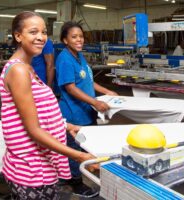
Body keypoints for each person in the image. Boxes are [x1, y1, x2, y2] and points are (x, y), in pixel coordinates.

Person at [0, 11, 98, 199]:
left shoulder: (28, 68)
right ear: (18, 36)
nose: (41, 37)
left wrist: (65, 126)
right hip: (30, 171)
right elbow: (33, 129)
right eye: (33, 32)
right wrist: (78, 156)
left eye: (44, 32)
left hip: (42, 166)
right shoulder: (18, 70)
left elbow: (39, 113)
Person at [55, 21, 118, 198]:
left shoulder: (79, 56)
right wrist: (95, 102)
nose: (79, 40)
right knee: (75, 150)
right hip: (73, 114)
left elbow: (88, 80)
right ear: (65, 40)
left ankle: (87, 171)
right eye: (74, 37)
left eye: (81, 36)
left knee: (88, 146)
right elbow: (70, 88)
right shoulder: (65, 59)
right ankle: (75, 182)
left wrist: (106, 91)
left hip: (87, 112)